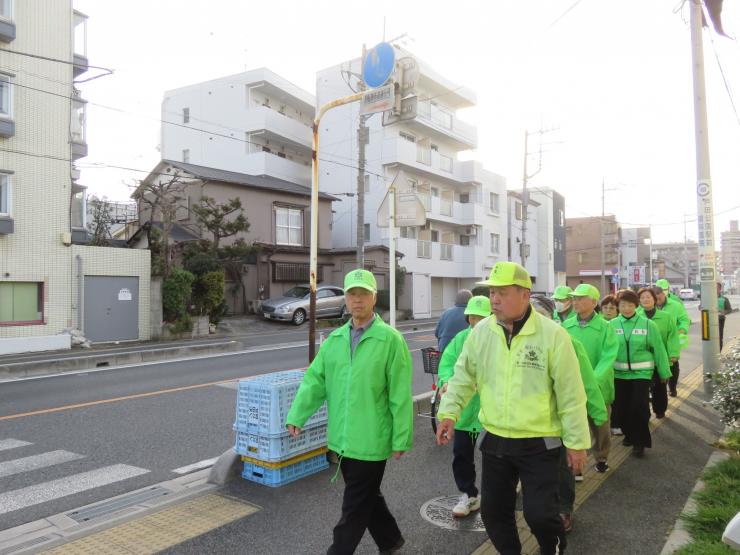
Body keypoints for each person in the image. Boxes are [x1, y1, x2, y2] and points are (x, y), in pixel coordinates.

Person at [437, 261, 590, 555]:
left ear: (524, 294)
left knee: (540, 516)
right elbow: (463, 376)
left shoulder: (553, 335)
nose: (494, 298)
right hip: (495, 439)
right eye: (492, 292)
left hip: (540, 442)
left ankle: (552, 548)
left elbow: (571, 394)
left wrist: (577, 443)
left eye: (502, 292)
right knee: (494, 514)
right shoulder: (481, 331)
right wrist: (449, 412)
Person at [286, 269, 413, 555]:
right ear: (345, 297)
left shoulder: (390, 340)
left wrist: (401, 437)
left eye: (363, 294)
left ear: (374, 297)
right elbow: (315, 380)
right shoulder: (334, 341)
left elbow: (400, 395)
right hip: (343, 438)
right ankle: (391, 540)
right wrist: (298, 414)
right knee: (367, 496)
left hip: (372, 438)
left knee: (354, 506)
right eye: (352, 294)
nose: (357, 300)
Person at [531, 294, 607, 534]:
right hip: (531, 422)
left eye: (541, 315)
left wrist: (598, 412)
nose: (536, 321)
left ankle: (564, 509)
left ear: (551, 317)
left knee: (563, 468)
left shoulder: (567, 341)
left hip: (561, 420)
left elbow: (586, 381)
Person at [436, 295, 491, 518]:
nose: (476, 322)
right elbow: (446, 364)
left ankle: (500, 494)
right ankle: (469, 494)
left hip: (492, 413)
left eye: (481, 317)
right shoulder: (461, 338)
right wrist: (446, 381)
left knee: (497, 460)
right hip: (464, 412)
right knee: (461, 455)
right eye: (472, 317)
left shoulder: (498, 339)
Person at [562, 284, 618, 474]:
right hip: (572, 387)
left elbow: (608, 356)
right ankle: (575, 466)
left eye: (581, 298)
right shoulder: (566, 326)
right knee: (574, 425)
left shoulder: (606, 328)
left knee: (600, 425)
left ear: (594, 302)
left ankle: (601, 457)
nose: (575, 302)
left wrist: (592, 380)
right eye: (574, 298)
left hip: (599, 387)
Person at [609, 289, 671, 457]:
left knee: (639, 407)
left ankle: (640, 442)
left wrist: (664, 371)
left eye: (630, 305)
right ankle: (629, 435)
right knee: (621, 408)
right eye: (623, 305)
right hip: (619, 374)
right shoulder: (612, 325)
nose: (627, 308)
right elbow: (606, 351)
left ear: (636, 306)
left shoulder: (648, 324)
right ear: (618, 306)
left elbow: (659, 349)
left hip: (642, 375)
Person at [637, 287, 679, 419]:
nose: (645, 299)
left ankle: (660, 409)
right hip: (642, 360)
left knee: (660, 386)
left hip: (661, 358)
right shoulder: (636, 316)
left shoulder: (666, 317)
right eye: (642, 297)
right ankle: (645, 413)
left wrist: (673, 354)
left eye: (648, 297)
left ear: (654, 299)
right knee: (642, 389)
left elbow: (672, 336)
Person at [655, 284, 691, 397]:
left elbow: (684, 319)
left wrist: (682, 330)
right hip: (655, 341)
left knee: (673, 363)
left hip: (671, 340)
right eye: (654, 297)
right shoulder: (647, 306)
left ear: (663, 294)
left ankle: (672, 387)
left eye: (659, 296)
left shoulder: (675, 305)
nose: (657, 300)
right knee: (656, 365)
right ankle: (657, 390)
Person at [717, 282, 732, 351]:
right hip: (708, 321)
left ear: (720, 289)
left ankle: (719, 353)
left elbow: (729, 309)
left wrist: (724, 312)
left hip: (720, 320)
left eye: (717, 288)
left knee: (719, 337)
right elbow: (700, 307)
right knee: (709, 338)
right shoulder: (707, 299)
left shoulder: (724, 299)